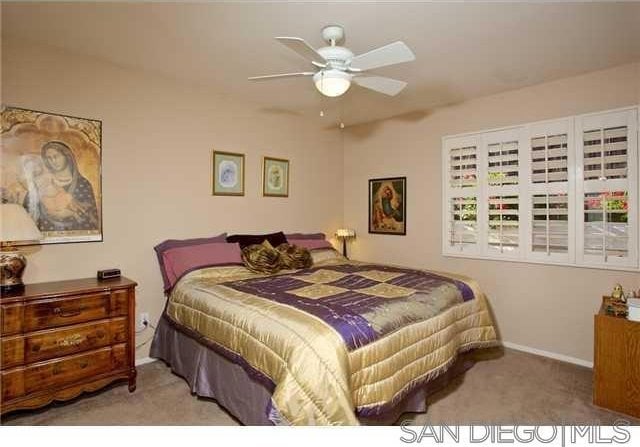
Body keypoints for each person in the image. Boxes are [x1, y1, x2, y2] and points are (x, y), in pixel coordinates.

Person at [23, 141, 99, 232]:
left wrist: (70, 213)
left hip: (76, 235)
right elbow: (29, 210)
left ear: (67, 157)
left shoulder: (83, 184)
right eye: (49, 158)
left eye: (56, 156)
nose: (53, 161)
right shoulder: (42, 182)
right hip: (46, 234)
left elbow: (90, 214)